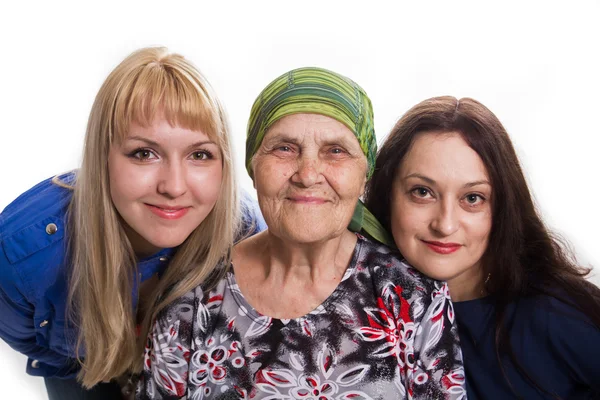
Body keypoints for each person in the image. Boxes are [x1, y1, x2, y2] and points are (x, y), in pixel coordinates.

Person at [138, 68, 466, 399]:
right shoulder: (192, 296)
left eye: (335, 151)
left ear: (365, 173)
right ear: (253, 167)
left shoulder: (413, 297)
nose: (308, 175)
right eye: (284, 148)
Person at [0, 47, 266, 399]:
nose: (173, 186)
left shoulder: (244, 230)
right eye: (144, 153)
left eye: (199, 154)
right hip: (80, 368)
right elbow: (27, 337)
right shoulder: (21, 256)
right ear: (103, 157)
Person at [364, 96, 600, 399]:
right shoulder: (350, 311)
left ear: (502, 207)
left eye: (472, 198)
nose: (445, 224)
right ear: (387, 195)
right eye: (422, 192)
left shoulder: (561, 314)